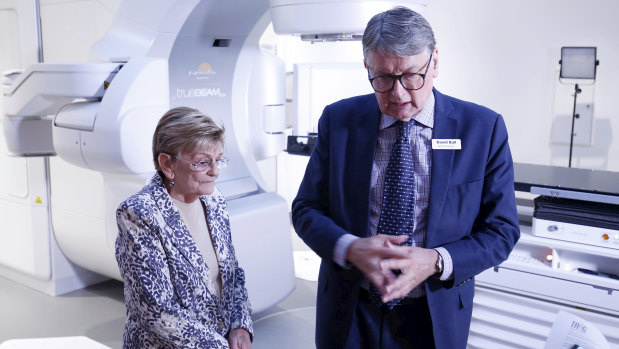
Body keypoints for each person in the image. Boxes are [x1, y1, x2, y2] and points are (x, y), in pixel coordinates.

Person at [291, 6, 519, 349]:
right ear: (367, 67)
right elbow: (306, 209)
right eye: (382, 78)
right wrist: (350, 247)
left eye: (412, 75)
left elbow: (502, 230)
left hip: (433, 314)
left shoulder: (482, 129)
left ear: (435, 63)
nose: (398, 93)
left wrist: (437, 259)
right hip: (350, 310)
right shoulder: (338, 120)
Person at [115, 106, 253, 349]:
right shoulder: (139, 214)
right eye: (202, 163)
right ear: (167, 164)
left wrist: (240, 326)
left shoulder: (214, 199)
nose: (215, 171)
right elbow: (158, 313)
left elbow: (232, 275)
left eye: (218, 160)